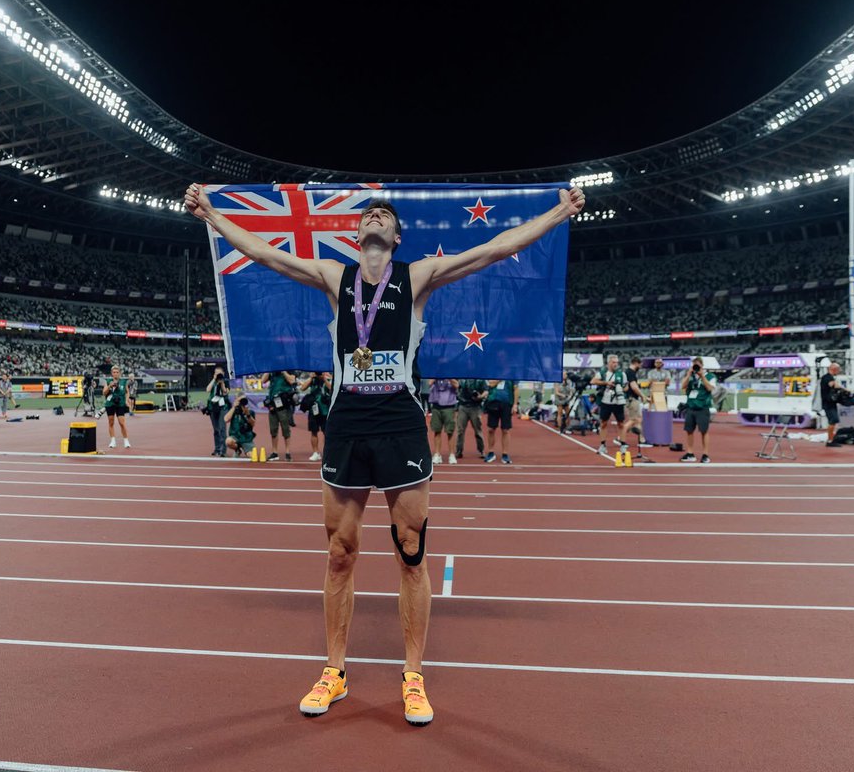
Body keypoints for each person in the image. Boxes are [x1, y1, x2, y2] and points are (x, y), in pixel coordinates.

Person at [185, 181, 585, 726]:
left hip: (400, 424)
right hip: (347, 423)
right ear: (356, 231)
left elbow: (495, 248)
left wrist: (560, 212)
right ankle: (334, 672)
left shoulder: (416, 277)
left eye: (384, 215)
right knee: (340, 552)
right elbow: (262, 252)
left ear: (395, 236)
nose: (374, 216)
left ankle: (413, 677)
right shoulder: (334, 276)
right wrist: (210, 212)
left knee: (410, 550)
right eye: (367, 213)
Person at [590, 355, 629, 455]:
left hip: (618, 402)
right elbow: (593, 381)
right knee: (603, 423)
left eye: (617, 362)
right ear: (608, 363)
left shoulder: (622, 374)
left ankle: (623, 445)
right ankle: (603, 445)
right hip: (605, 401)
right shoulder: (602, 373)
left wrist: (620, 389)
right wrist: (606, 383)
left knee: (621, 423)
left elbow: (626, 387)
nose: (616, 364)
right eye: (613, 362)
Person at [679, 357, 716, 463]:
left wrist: (702, 376)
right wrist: (688, 374)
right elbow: (683, 386)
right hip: (691, 407)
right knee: (689, 431)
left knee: (704, 431)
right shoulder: (691, 376)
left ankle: (705, 454)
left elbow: (710, 388)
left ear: (702, 365)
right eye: (693, 365)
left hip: (703, 407)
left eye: (697, 365)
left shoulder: (710, 376)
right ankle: (690, 453)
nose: (695, 367)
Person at [260, 370, 297, 461]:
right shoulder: (272, 372)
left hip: (284, 405)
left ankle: (288, 452)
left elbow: (292, 381)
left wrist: (284, 371)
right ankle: (274, 452)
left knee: (286, 429)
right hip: (273, 404)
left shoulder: (289, 369)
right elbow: (262, 381)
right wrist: (269, 369)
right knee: (273, 429)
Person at [299, 371, 332, 461]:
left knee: (327, 433)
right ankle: (315, 453)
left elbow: (332, 389)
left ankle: (327, 452)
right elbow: (302, 388)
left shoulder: (328, 378)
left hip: (325, 410)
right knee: (314, 432)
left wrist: (324, 379)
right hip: (313, 410)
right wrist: (311, 377)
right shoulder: (313, 380)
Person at [483, 379, 518, 464]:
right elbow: (491, 384)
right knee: (491, 429)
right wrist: (501, 377)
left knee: (505, 430)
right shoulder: (493, 372)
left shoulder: (512, 373)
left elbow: (516, 388)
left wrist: (515, 404)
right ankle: (491, 452)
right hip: (493, 402)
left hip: (506, 404)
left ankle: (505, 454)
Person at [428, 378, 459, 465]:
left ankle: (452, 454)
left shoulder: (452, 374)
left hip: (449, 406)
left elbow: (456, 385)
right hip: (436, 406)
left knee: (450, 431)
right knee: (437, 431)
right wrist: (436, 376)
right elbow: (429, 383)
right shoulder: (435, 374)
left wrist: (448, 377)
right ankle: (437, 454)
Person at [454, 378, 487, 458]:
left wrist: (480, 396)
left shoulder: (480, 379)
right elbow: (456, 387)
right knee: (460, 430)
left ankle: (481, 450)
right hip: (463, 406)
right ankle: (459, 450)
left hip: (475, 407)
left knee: (477, 430)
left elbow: (486, 391)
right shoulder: (461, 377)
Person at [102, 365, 131, 449]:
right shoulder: (108, 381)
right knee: (111, 422)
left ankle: (126, 441)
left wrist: (126, 400)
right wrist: (109, 386)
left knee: (122, 422)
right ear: (112, 373)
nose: (115, 374)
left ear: (119, 373)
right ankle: (113, 441)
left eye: (117, 372)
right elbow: (104, 392)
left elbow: (127, 392)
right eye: (114, 372)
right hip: (110, 404)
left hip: (120, 404)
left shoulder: (123, 381)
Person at [206, 366, 230, 457]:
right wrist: (214, 379)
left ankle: (223, 450)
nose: (219, 375)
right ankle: (217, 449)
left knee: (222, 428)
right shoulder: (213, 382)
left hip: (223, 407)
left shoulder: (226, 382)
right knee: (216, 429)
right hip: (213, 407)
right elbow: (207, 390)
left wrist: (222, 383)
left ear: (223, 374)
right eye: (217, 373)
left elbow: (225, 392)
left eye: (220, 373)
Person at [820, 362, 846, 445]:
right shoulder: (827, 377)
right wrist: (846, 390)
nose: (838, 372)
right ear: (834, 369)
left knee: (833, 421)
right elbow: (834, 385)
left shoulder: (828, 377)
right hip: (828, 403)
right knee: (833, 420)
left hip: (830, 403)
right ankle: (830, 441)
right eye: (838, 370)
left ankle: (831, 439)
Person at [622, 357, 646, 442]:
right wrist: (643, 396)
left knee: (638, 418)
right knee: (633, 420)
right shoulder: (631, 373)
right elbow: (634, 387)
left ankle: (641, 438)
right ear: (636, 363)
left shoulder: (627, 372)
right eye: (640, 365)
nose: (640, 367)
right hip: (632, 399)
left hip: (629, 398)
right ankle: (620, 437)